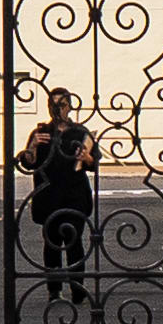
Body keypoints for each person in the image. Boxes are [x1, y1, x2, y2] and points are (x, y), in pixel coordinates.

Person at [24, 93, 96, 311]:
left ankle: (77, 289)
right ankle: (54, 290)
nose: (57, 109)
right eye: (53, 105)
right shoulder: (40, 133)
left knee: (74, 242)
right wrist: (34, 146)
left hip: (74, 197)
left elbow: (95, 162)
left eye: (61, 105)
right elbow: (28, 162)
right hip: (49, 197)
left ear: (70, 107)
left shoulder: (79, 133)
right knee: (51, 244)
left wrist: (87, 158)